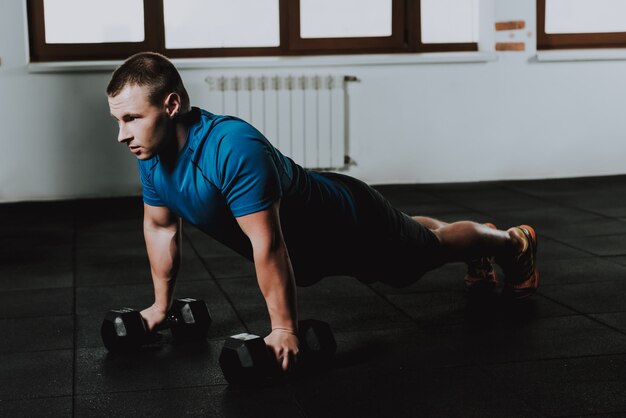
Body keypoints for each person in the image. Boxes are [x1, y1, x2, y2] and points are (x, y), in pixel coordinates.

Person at [106, 52, 539, 372]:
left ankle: (512, 242)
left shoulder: (231, 147)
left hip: (348, 222)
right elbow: (161, 230)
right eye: (117, 122)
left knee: (421, 255)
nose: (122, 136)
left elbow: (269, 242)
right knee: (414, 234)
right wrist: (159, 308)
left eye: (131, 119)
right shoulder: (153, 159)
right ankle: (475, 241)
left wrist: (284, 328)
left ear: (172, 105)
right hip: (312, 247)